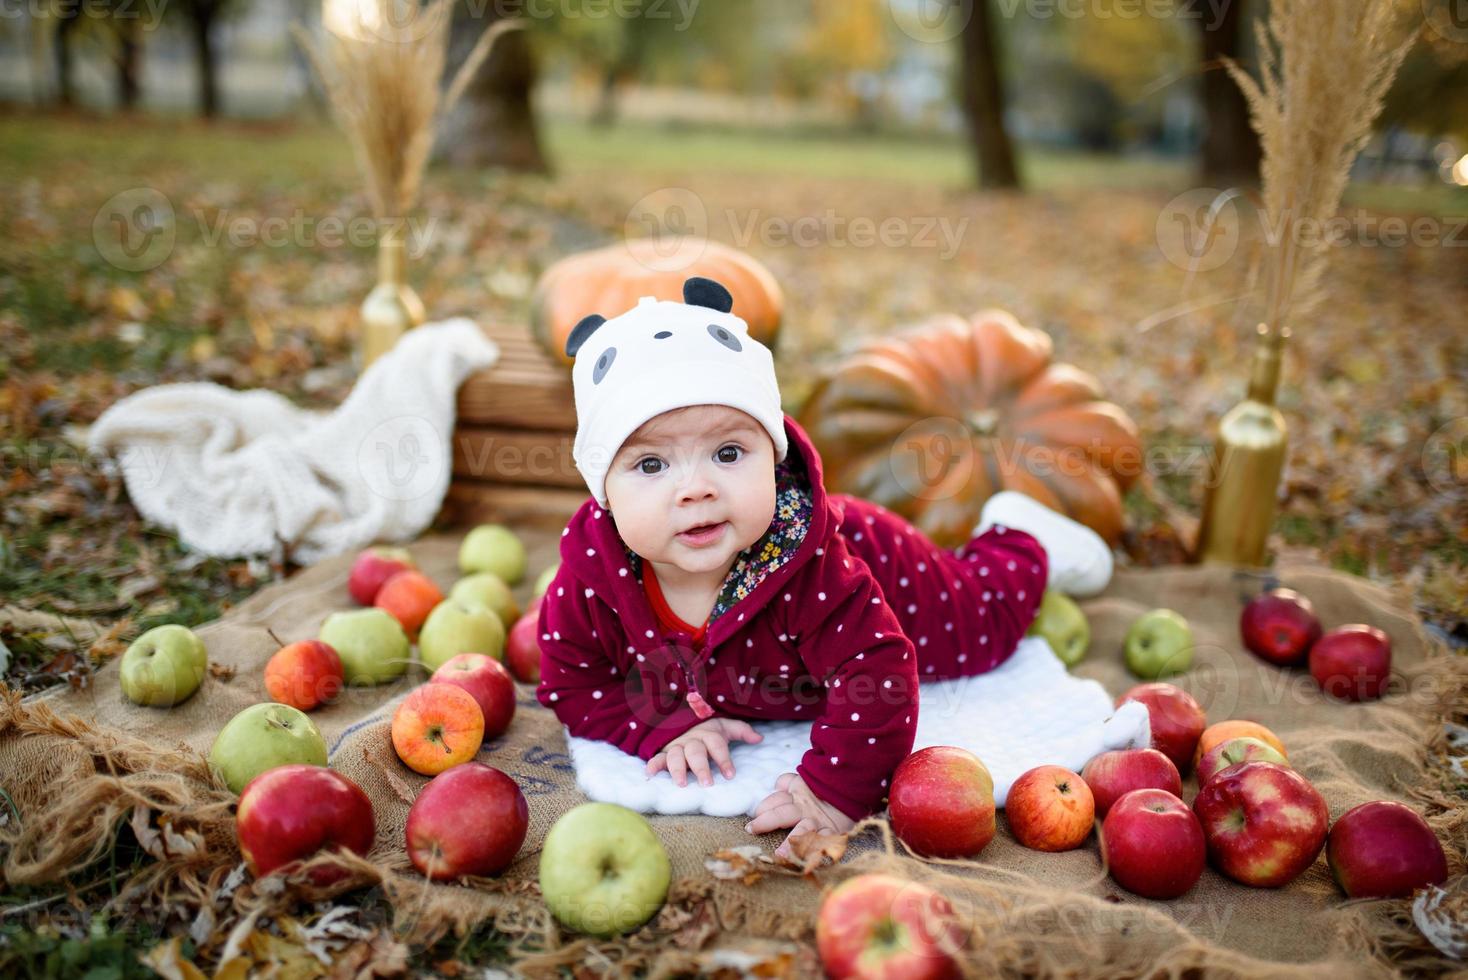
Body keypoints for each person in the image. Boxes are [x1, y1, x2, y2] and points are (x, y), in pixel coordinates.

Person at [535, 277, 1112, 859]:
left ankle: (1021, 539)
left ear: (773, 451)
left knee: (980, 628)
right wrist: (662, 724)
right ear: (602, 486)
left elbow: (879, 676)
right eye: (652, 464)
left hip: (886, 564)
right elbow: (573, 681)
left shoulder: (814, 573)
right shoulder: (591, 582)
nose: (696, 489)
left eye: (728, 453)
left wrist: (836, 790)